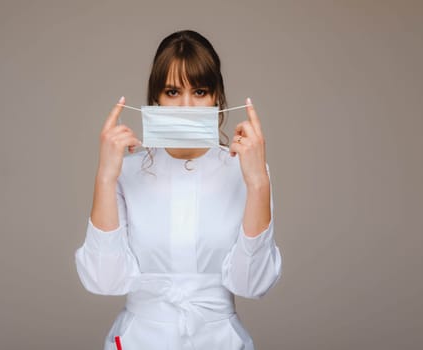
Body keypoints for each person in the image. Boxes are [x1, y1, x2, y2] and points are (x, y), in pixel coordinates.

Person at [75, 29, 282, 350]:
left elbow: (253, 284)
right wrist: (105, 176)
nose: (186, 106)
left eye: (199, 92)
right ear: (155, 99)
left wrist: (257, 182)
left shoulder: (245, 171)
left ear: (217, 99)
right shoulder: (124, 172)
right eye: (172, 92)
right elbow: (104, 281)